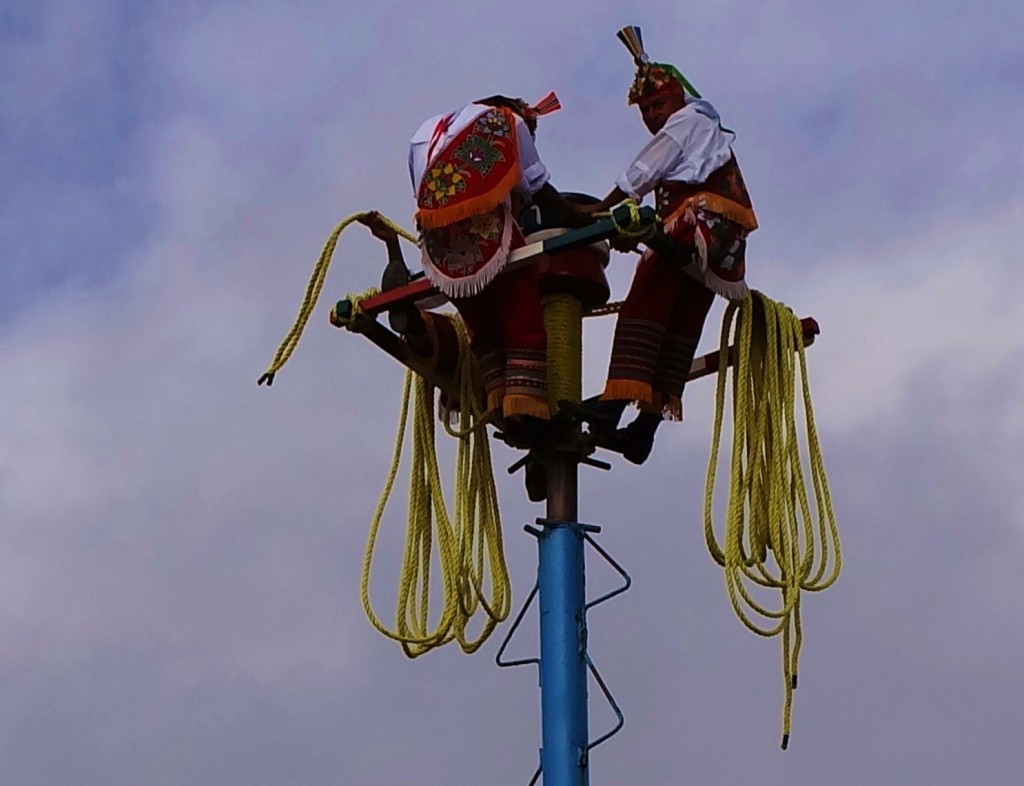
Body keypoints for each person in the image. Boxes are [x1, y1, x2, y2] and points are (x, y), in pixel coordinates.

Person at [580, 26, 759, 464]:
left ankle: (612, 406)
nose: (652, 117)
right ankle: (643, 430)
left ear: (679, 96)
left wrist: (599, 213)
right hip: (722, 245)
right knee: (680, 323)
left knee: (645, 302)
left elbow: (640, 175)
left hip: (696, 224)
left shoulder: (688, 122)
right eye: (644, 111)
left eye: (657, 104)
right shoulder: (707, 128)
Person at [405, 92, 586, 436]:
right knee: (522, 315)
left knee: (484, 327)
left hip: (438, 249)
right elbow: (538, 187)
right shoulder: (509, 122)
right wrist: (580, 219)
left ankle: (498, 396)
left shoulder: (423, 133)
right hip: (489, 232)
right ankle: (526, 407)